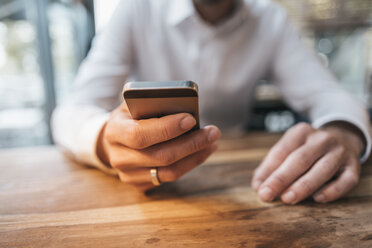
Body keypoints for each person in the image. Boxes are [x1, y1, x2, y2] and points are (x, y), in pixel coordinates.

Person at [52, 0, 371, 204]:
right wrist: (105, 142)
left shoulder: (270, 19)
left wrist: (344, 131)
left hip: (241, 183)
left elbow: (329, 94)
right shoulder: (136, 9)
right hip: (145, 188)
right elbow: (70, 112)